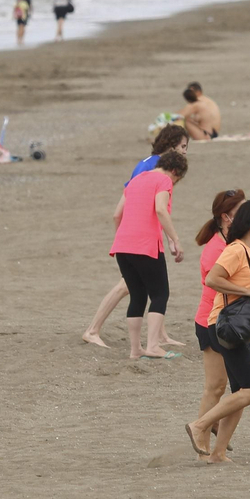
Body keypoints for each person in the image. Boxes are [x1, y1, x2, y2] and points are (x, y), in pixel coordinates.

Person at [185, 199, 250, 463]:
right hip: (224, 327)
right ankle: (200, 425)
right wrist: (245, 290)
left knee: (242, 391)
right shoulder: (236, 249)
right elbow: (213, 279)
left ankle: (218, 453)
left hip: (244, 330)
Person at [83, 126, 190, 348]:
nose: (185, 152)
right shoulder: (155, 169)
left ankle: (159, 336)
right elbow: (135, 209)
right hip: (139, 241)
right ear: (171, 147)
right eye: (183, 147)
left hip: (136, 240)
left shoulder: (148, 164)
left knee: (146, 288)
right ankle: (93, 330)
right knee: (131, 287)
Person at [191, 189, 250, 458]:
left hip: (232, 321)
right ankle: (203, 444)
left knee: (245, 384)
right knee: (216, 387)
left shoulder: (235, 243)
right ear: (226, 217)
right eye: (239, 211)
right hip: (214, 321)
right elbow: (218, 282)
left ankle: (213, 429)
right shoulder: (216, 249)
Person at [108, 149, 187, 360]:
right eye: (176, 179)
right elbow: (161, 210)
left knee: (138, 295)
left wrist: (123, 238)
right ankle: (153, 346)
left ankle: (136, 350)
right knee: (160, 294)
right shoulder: (163, 180)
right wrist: (175, 240)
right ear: (174, 170)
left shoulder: (135, 180)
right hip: (145, 245)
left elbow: (117, 215)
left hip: (122, 246)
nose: (174, 184)